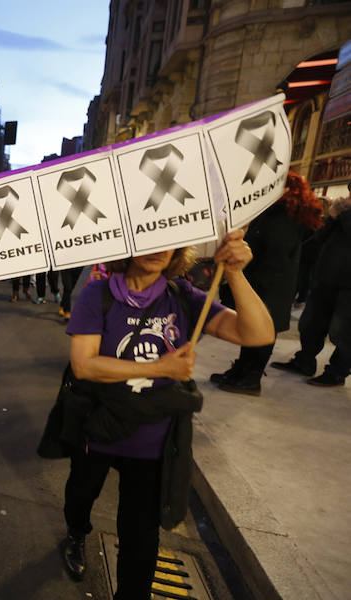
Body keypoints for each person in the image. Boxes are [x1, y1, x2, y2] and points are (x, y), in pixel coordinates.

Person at [59, 231, 274, 599]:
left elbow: (257, 334)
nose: (158, 248)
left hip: (153, 441)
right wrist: (160, 368)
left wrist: (235, 274)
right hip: (99, 428)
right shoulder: (99, 294)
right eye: (147, 237)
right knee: (82, 492)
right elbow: (84, 365)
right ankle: (77, 532)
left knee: (140, 536)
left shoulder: (183, 298)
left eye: (168, 238)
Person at [212, 172, 323, 395]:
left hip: (270, 283)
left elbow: (275, 250)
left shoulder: (286, 215)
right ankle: (241, 371)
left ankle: (251, 378)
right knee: (250, 327)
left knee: (264, 329)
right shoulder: (274, 212)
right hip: (264, 280)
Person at [272, 196, 351, 387]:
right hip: (325, 278)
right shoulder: (342, 214)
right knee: (310, 324)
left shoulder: (346, 214)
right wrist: (332, 217)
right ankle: (305, 360)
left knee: (344, 332)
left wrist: (344, 214)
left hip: (348, 286)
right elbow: (318, 237)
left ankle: (337, 372)